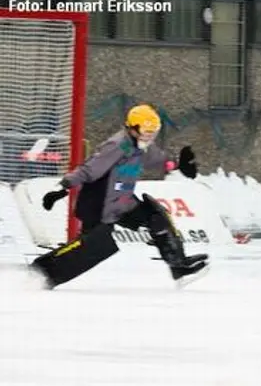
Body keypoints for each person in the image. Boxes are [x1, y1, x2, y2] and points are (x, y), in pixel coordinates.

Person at [31, 104, 209, 289]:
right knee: (94, 246)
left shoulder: (142, 146)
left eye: (153, 133)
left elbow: (158, 159)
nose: (149, 137)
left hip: (123, 203)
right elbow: (90, 169)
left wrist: (178, 164)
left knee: (156, 216)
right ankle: (42, 273)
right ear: (132, 128)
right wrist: (63, 187)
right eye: (146, 132)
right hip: (98, 205)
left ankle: (178, 266)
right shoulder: (117, 146)